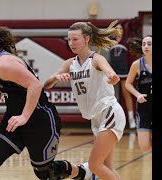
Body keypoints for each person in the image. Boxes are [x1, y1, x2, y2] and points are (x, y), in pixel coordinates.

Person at [0, 27, 92, 180]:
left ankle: (83, 172)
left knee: (45, 172)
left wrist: (24, 116)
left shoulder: (5, 64)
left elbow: (35, 85)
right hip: (13, 122)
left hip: (39, 120)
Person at [44, 20, 126, 180]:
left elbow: (109, 72)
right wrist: (55, 77)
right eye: (69, 39)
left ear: (87, 39)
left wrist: (112, 76)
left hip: (109, 113)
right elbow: (46, 84)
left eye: (75, 39)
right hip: (95, 118)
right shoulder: (70, 64)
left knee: (95, 165)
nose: (71, 43)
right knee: (106, 167)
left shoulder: (95, 59)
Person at [125, 35, 152, 152]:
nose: (146, 46)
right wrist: (137, 95)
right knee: (144, 146)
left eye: (149, 44)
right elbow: (128, 84)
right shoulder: (137, 65)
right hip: (144, 108)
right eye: (144, 44)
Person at [108, 24, 136, 129]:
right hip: (113, 72)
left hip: (124, 72)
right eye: (117, 29)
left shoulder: (127, 41)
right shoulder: (110, 41)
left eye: (120, 28)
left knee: (126, 95)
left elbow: (130, 57)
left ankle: (131, 120)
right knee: (112, 97)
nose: (119, 30)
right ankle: (114, 120)